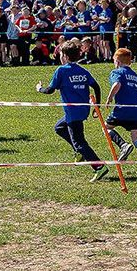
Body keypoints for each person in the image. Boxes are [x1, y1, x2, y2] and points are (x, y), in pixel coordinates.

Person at [36, 39, 110, 180]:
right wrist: (97, 106)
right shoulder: (82, 70)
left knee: (79, 142)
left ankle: (99, 166)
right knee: (59, 127)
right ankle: (80, 152)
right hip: (83, 111)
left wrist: (40, 89)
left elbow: (50, 90)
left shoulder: (61, 71)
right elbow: (96, 86)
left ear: (65, 56)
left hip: (73, 113)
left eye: (60, 54)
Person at [105, 47, 137, 173]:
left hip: (123, 108)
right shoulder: (134, 74)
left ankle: (123, 145)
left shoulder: (117, 72)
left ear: (117, 61)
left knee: (106, 127)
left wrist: (109, 98)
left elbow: (117, 84)